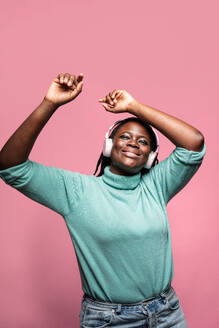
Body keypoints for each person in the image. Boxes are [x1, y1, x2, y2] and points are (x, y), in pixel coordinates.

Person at [0, 73, 206, 327]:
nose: (134, 143)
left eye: (143, 142)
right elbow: (10, 165)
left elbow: (193, 143)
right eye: (125, 136)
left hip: (166, 313)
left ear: (151, 158)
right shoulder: (76, 191)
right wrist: (49, 103)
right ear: (109, 146)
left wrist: (134, 107)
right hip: (110, 319)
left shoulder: (157, 185)